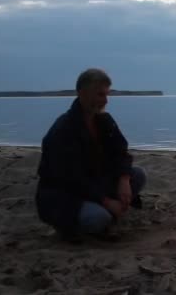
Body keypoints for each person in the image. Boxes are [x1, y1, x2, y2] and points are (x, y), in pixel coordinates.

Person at [36, 68, 146, 241]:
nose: (105, 101)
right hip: (65, 194)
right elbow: (71, 179)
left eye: (106, 95)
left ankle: (108, 210)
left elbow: (121, 150)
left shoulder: (104, 120)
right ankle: (69, 226)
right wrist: (107, 201)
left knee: (138, 175)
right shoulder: (63, 129)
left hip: (96, 182)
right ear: (82, 93)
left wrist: (123, 180)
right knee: (99, 218)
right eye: (100, 95)